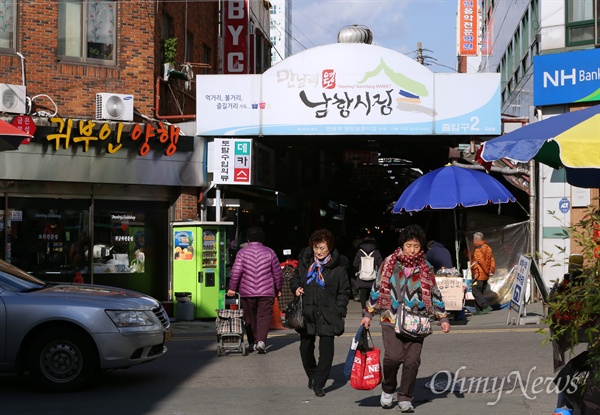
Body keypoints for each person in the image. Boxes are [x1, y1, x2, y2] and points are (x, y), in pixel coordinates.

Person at [360, 224, 451, 413]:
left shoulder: (426, 268)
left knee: (412, 361)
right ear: (402, 245)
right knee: (393, 358)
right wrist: (368, 314)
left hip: (417, 321)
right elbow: (376, 288)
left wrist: (442, 317)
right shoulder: (389, 263)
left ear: (421, 247)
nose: (412, 250)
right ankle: (388, 389)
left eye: (416, 246)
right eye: (408, 245)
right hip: (390, 318)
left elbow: (435, 293)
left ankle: (405, 397)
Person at [290, 229, 351, 398]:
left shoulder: (338, 268)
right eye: (316, 247)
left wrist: (339, 309)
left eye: (322, 248)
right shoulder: (305, 263)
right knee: (305, 348)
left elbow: (344, 291)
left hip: (328, 313)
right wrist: (296, 288)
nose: (318, 251)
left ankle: (319, 383)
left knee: (327, 352)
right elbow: (295, 279)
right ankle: (312, 374)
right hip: (307, 312)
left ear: (329, 248)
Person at [227, 226, 283, 354]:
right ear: (263, 239)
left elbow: (236, 272)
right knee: (264, 316)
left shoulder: (242, 253)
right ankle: (261, 342)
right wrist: (278, 288)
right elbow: (277, 273)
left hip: (247, 291)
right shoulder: (270, 252)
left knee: (249, 317)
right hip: (267, 291)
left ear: (248, 239)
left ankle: (252, 342)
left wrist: (232, 288)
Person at [353, 233, 383, 310]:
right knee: (373, 293)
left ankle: (363, 309)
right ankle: (371, 308)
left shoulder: (360, 251)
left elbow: (355, 263)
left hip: (362, 276)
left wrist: (359, 271)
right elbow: (380, 264)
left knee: (363, 294)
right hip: (373, 276)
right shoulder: (376, 252)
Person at [470, 232, 495, 315]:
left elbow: (482, 262)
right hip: (485, 275)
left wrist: (487, 271)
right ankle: (478, 310)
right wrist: (491, 270)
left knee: (475, 291)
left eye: (473, 239)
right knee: (480, 292)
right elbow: (492, 260)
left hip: (479, 274)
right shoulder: (488, 248)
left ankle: (485, 306)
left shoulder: (478, 250)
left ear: (475, 239)